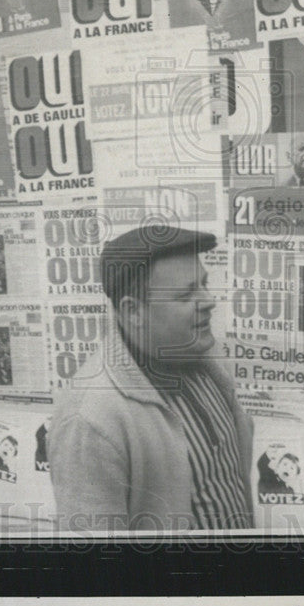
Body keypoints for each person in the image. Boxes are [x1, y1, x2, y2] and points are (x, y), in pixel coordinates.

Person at [47, 225, 254, 531]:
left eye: (204, 284)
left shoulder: (206, 360)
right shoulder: (90, 418)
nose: (209, 300)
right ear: (133, 312)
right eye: (186, 295)